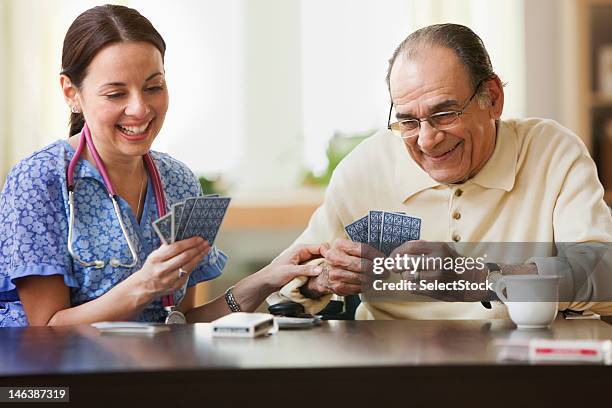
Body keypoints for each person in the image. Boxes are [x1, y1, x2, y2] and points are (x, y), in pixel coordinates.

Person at [0, 4, 322, 327]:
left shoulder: (177, 181)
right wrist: (145, 284)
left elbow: (181, 323)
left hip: (153, 373)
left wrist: (267, 278)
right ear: (72, 93)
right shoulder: (39, 181)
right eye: (115, 94)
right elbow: (45, 331)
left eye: (153, 87)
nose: (139, 109)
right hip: (62, 377)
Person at [269, 23, 612, 320]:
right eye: (408, 121)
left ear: (492, 99)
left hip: (517, 367)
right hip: (390, 368)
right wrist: (321, 281)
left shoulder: (551, 151)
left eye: (445, 114)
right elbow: (281, 286)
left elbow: (604, 276)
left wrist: (476, 277)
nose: (428, 140)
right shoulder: (366, 166)